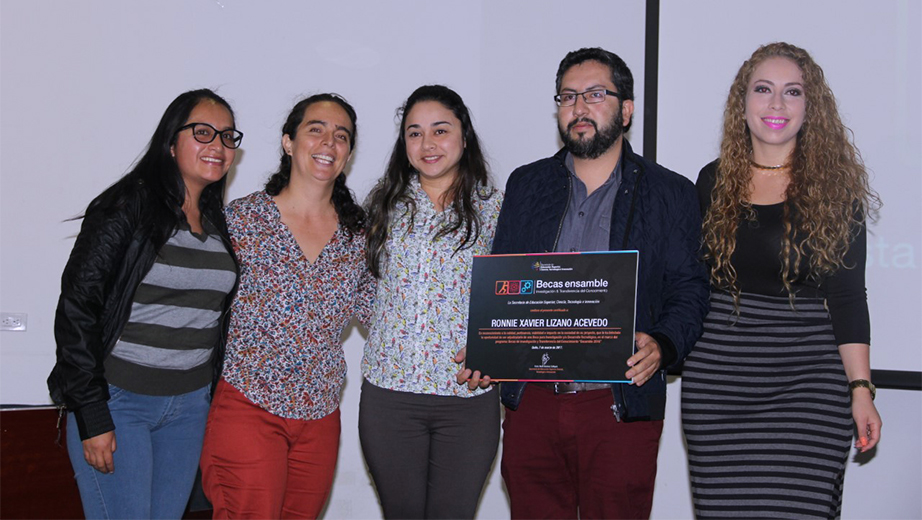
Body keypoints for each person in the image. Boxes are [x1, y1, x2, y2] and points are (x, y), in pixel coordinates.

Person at [459, 47, 710, 519]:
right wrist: (487, 342)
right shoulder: (527, 184)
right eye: (568, 96)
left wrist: (663, 341)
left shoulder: (670, 192)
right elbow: (506, 281)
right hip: (531, 403)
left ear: (627, 109)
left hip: (619, 403)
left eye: (595, 94)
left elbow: (690, 289)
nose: (579, 107)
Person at [681, 42, 882, 519]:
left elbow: (849, 298)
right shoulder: (711, 182)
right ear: (742, 102)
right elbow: (690, 281)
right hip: (719, 386)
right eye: (763, 90)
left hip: (808, 386)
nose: (776, 104)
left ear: (811, 107)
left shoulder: (836, 189)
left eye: (792, 92)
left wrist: (861, 390)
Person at [47, 88, 241, 519]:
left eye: (228, 137)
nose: (218, 146)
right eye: (204, 132)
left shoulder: (215, 220)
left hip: (188, 408)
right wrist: (92, 412)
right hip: (120, 403)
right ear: (171, 141)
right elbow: (77, 307)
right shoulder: (127, 205)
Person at [199, 94, 374, 519]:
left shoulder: (358, 235)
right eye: (316, 129)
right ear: (288, 142)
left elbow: (385, 313)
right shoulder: (242, 220)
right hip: (249, 406)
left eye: (341, 136)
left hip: (320, 416)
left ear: (348, 153)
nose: (328, 142)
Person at [360, 85, 503, 519]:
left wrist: (497, 348)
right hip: (390, 398)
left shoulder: (497, 210)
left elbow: (514, 297)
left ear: (464, 136)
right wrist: (394, 333)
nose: (428, 144)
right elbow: (366, 289)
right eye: (414, 133)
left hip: (467, 400)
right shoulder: (381, 207)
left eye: (440, 130)